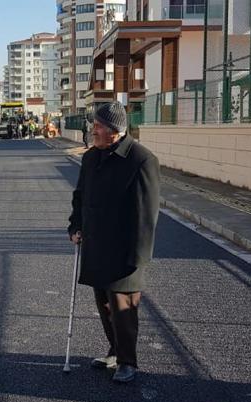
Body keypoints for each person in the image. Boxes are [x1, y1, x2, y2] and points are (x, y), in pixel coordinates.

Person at [68, 102, 160, 383]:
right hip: (97, 244)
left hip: (125, 250)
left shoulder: (141, 160)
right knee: (105, 305)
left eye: (97, 126)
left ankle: (128, 361)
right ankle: (114, 351)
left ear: (115, 132)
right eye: (93, 125)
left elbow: (147, 213)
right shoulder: (92, 157)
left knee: (123, 309)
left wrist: (138, 258)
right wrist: (76, 225)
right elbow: (80, 196)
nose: (92, 130)